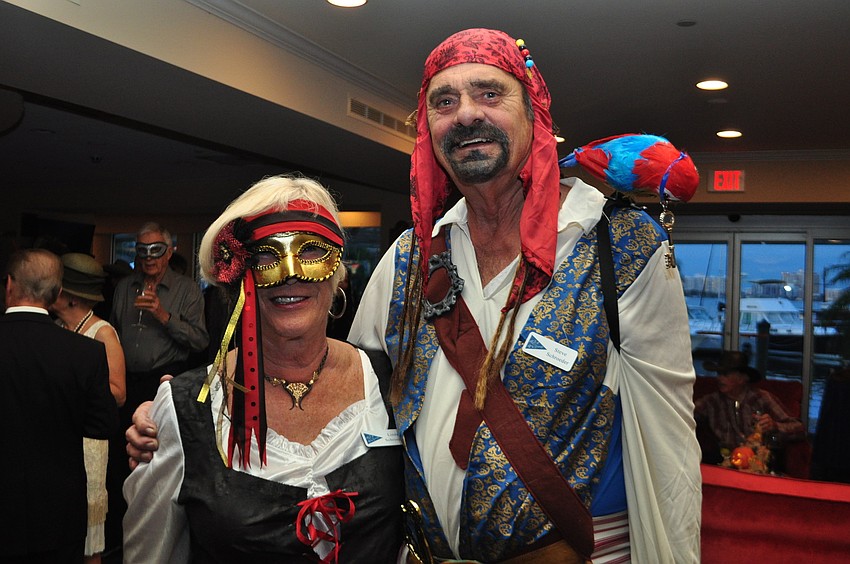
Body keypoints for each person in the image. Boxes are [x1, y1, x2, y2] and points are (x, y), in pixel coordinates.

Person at [127, 28, 701, 563]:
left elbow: (668, 448)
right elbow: (339, 391)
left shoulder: (618, 247)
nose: (467, 113)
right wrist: (179, 423)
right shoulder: (408, 260)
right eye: (443, 101)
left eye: (489, 92)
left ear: (534, 111)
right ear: (428, 130)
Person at [122, 174, 404, 562]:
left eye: (310, 252)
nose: (290, 271)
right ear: (236, 279)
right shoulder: (188, 407)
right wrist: (170, 421)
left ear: (337, 271)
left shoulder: (391, 382)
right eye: (266, 256)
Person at [2, 248, 118, 563]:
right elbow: (102, 425)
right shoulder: (85, 353)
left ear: (9, 286)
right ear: (56, 294)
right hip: (58, 510)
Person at [107, 222, 209, 553]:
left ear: (168, 253)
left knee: (156, 461)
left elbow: (200, 340)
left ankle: (159, 538)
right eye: (141, 250)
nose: (148, 257)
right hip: (126, 383)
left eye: (155, 250)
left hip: (164, 382)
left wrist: (163, 316)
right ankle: (119, 535)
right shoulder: (124, 287)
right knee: (122, 459)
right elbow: (114, 332)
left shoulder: (187, 289)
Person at [50, 252, 126, 563]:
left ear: (68, 297)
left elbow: (119, 393)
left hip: (89, 442)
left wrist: (72, 389)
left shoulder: (102, 332)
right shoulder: (55, 328)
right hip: (59, 440)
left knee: (89, 535)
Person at [694, 350, 805, 465]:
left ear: (742, 378)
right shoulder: (712, 401)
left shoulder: (761, 398)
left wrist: (775, 426)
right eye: (719, 374)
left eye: (725, 374)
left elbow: (799, 428)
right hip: (725, 461)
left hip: (760, 463)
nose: (719, 378)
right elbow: (686, 413)